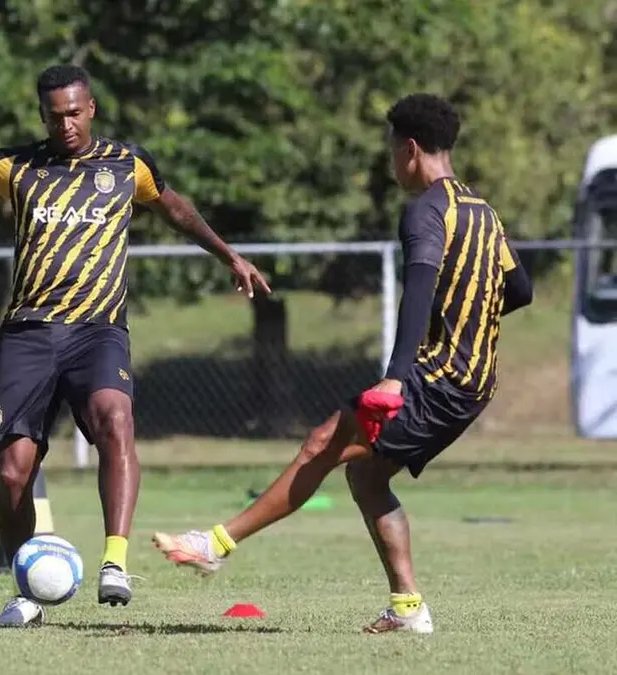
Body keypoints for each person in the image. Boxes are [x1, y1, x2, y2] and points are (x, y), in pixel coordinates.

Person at [0, 64, 270, 626]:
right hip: (30, 334)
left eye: (74, 113)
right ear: (42, 116)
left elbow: (177, 210)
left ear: (91, 108)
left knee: (115, 418)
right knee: (12, 472)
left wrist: (229, 255)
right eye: (54, 116)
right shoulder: (16, 166)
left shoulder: (128, 165)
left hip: (99, 331)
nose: (65, 124)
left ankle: (115, 562)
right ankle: (25, 592)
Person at [152, 93, 534, 635]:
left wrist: (396, 378)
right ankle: (408, 608)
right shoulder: (483, 213)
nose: (391, 163)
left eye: (391, 151)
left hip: (436, 378)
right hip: (474, 382)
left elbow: (418, 292)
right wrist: (465, 316)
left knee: (321, 443)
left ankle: (214, 544)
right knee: (366, 475)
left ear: (410, 148)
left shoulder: (426, 211)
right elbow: (520, 289)